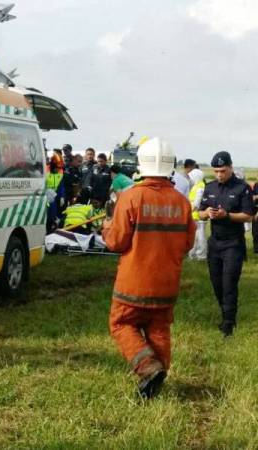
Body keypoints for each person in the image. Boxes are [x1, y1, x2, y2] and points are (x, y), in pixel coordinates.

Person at [103, 137, 195, 399]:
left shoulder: (131, 197)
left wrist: (108, 222)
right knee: (158, 328)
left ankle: (147, 367)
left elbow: (116, 241)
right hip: (167, 284)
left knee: (121, 324)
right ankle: (157, 379)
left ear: (141, 164)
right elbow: (187, 243)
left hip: (133, 284)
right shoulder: (182, 202)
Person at [198, 151, 253, 336]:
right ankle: (225, 312)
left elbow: (249, 216)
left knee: (229, 283)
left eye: (222, 170)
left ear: (230, 167)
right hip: (214, 243)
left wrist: (227, 215)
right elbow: (200, 212)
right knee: (217, 283)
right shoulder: (210, 187)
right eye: (216, 171)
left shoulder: (242, 188)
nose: (219, 174)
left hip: (233, 244)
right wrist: (207, 214)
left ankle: (229, 323)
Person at [188, 168, 207, 260]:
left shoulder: (200, 186)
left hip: (198, 215)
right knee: (196, 236)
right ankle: (194, 253)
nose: (190, 179)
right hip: (195, 214)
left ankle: (201, 255)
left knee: (200, 236)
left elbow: (197, 202)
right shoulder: (197, 185)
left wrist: (190, 211)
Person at [45, 160, 62, 233]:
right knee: (48, 213)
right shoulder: (45, 172)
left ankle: (52, 227)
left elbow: (61, 186)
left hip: (54, 196)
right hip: (46, 196)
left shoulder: (60, 173)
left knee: (54, 212)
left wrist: (62, 196)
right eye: (56, 168)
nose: (58, 169)